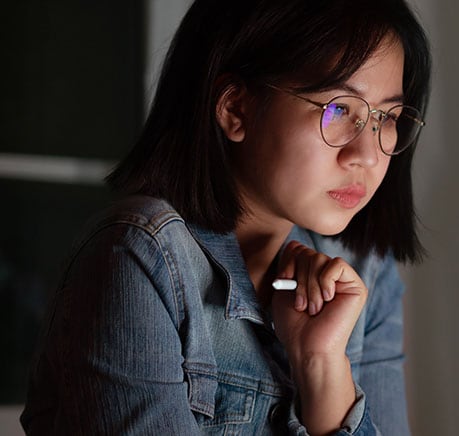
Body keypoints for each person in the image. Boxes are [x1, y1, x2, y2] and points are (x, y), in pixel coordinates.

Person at [20, 0, 430, 434]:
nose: (367, 155)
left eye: (386, 117)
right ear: (236, 109)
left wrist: (322, 365)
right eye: (339, 108)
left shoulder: (365, 272)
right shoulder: (142, 257)